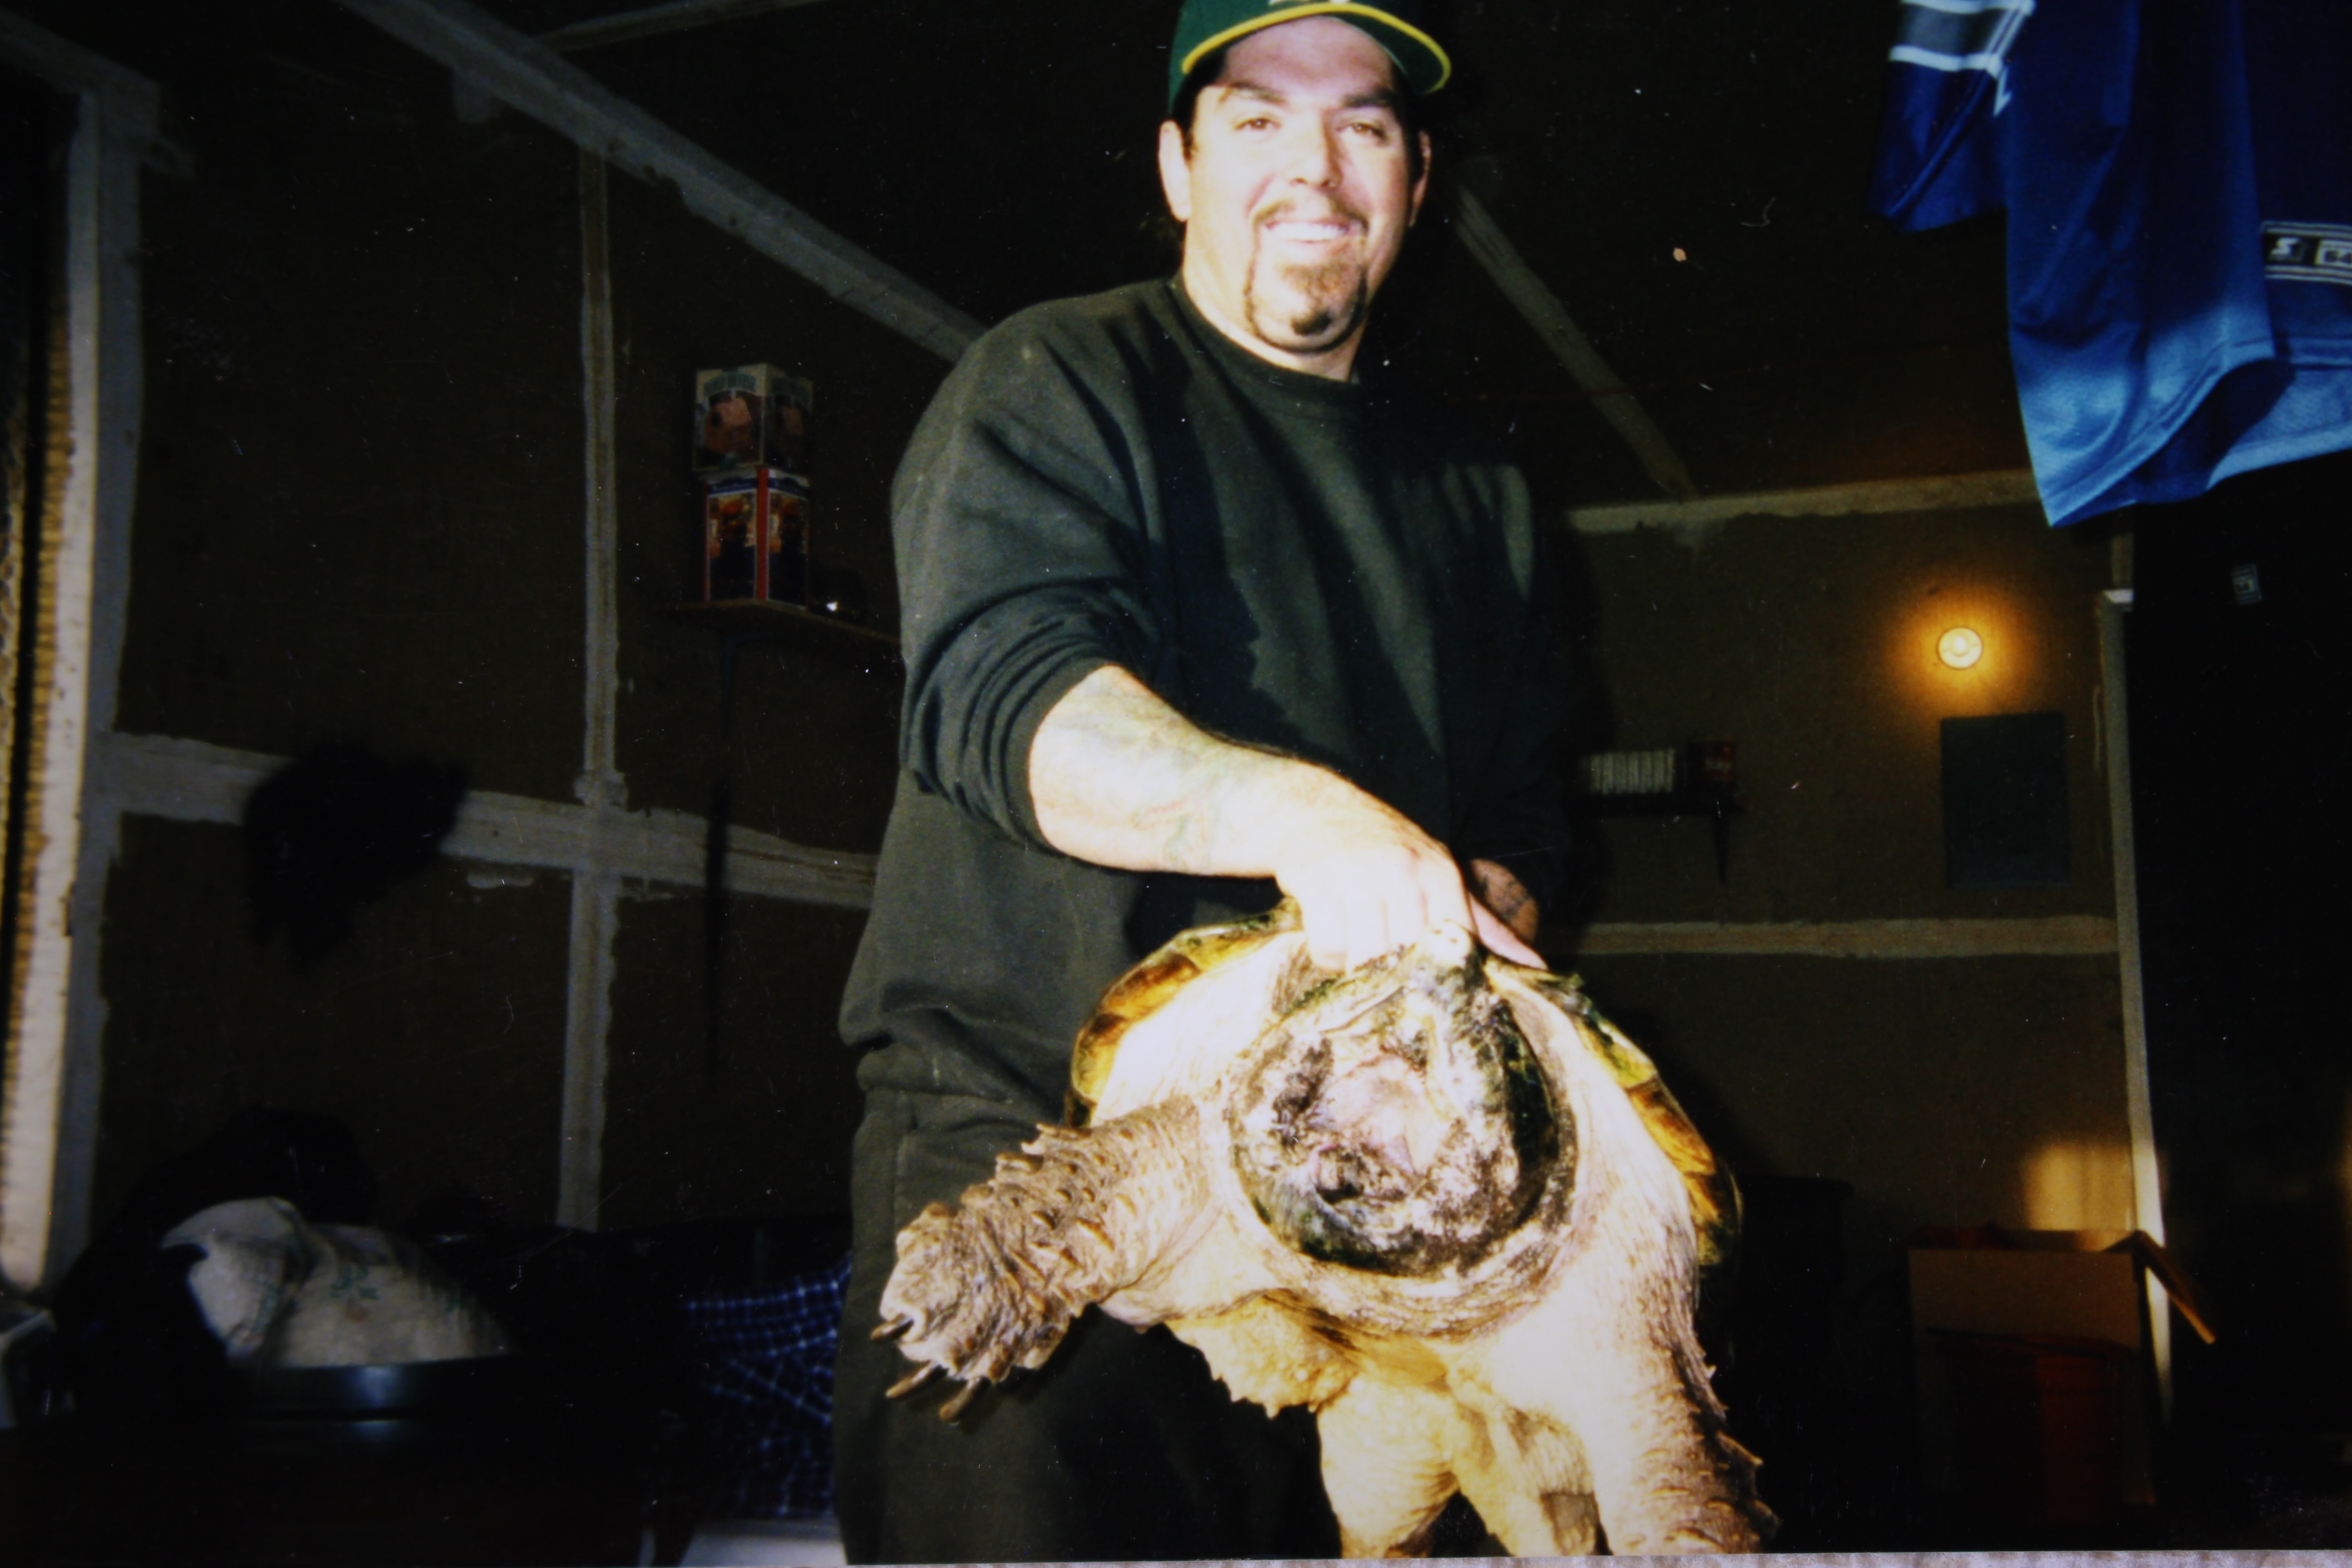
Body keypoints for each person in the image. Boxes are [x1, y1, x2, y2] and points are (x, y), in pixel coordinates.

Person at [832, 2, 1570, 1559]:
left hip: (1362, 1217)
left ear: (1418, 179)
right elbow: (1008, 700)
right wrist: (1310, 818)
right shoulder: (1053, 378)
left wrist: (1478, 898)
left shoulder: (1486, 498)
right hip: (1037, 1166)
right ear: (1177, 166)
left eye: (1363, 125)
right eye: (1255, 120)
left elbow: (1523, 830)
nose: (1314, 167)